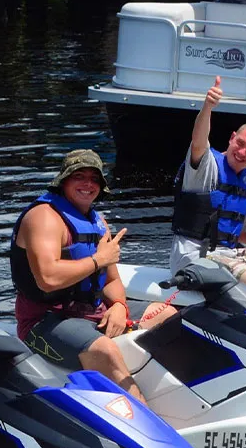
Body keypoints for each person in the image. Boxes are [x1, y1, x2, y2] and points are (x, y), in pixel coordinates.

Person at [10, 149, 177, 403]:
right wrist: (99, 259)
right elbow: (48, 278)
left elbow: (111, 281)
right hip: (44, 321)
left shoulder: (98, 222)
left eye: (94, 178)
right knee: (106, 350)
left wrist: (120, 306)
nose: (88, 184)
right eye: (79, 176)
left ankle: (173, 395)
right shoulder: (43, 218)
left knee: (168, 315)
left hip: (91, 311)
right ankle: (145, 421)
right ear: (63, 180)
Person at [171, 75, 246, 294]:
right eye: (240, 143)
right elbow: (199, 140)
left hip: (227, 252)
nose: (242, 152)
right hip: (193, 256)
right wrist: (208, 106)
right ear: (232, 138)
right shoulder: (207, 165)